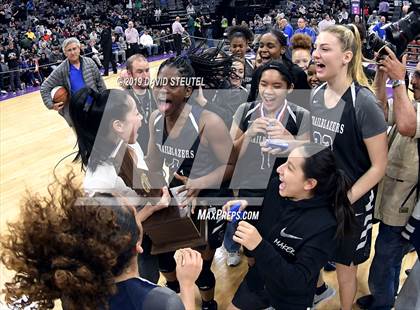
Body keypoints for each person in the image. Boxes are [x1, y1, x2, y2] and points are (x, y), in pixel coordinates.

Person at [0, 173, 202, 310]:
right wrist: (186, 284)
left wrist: (148, 210)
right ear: (138, 244)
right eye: (136, 212)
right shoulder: (162, 301)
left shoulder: (72, 288)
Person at [147, 56, 235, 310]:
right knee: (164, 257)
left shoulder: (209, 122)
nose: (163, 90)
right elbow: (153, 163)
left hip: (211, 196)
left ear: (188, 90)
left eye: (172, 84)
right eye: (159, 83)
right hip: (177, 193)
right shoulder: (155, 119)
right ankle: (175, 294)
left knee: (200, 264)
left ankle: (209, 305)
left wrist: (201, 180)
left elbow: (231, 166)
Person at [311, 24, 388, 310]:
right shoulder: (316, 94)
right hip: (318, 198)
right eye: (316, 48)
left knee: (345, 268)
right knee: (312, 256)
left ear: (346, 57)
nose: (316, 54)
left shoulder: (365, 104)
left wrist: (343, 199)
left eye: (325, 48)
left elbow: (379, 167)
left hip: (350, 205)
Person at [225, 143, 356, 309]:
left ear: (309, 183)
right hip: (259, 281)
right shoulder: (275, 188)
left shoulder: (326, 226)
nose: (279, 169)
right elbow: (268, 219)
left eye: (290, 167)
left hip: (289, 299)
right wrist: (247, 206)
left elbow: (297, 280)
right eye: (285, 162)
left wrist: (259, 246)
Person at [226, 61, 310, 268]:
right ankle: (256, 283)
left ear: (289, 88)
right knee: (251, 246)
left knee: (282, 245)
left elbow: (310, 158)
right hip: (250, 190)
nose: (269, 91)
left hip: (286, 191)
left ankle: (278, 287)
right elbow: (229, 155)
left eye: (277, 86)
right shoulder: (244, 111)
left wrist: (289, 140)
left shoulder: (300, 115)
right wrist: (249, 134)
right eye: (264, 84)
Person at [356, 51, 420, 310]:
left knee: (384, 257)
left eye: (419, 76)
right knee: (390, 255)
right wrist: (382, 75)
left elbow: (406, 125)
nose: (415, 80)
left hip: (406, 200)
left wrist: (399, 81)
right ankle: (386, 297)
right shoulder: (413, 102)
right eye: (415, 74)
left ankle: (382, 303)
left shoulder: (410, 103)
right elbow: (381, 113)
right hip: (390, 192)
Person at [40, 37, 106, 126]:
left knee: (102, 135)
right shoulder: (61, 70)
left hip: (95, 107)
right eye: (69, 50)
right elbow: (44, 87)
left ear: (79, 49)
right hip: (78, 113)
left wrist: (104, 100)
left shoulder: (90, 62)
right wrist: (51, 105)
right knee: (85, 139)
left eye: (74, 49)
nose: (72, 52)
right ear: (65, 53)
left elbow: (100, 83)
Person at [248, 29, 311, 110]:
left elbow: (305, 108)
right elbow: (251, 103)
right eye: (261, 46)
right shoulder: (258, 72)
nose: (263, 50)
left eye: (270, 46)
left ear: (283, 49)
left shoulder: (297, 73)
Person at [122, 54, 157, 155]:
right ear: (129, 74)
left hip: (156, 153)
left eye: (147, 70)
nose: (145, 76)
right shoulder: (123, 100)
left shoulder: (157, 95)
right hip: (136, 155)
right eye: (140, 72)